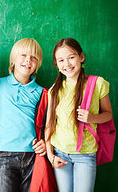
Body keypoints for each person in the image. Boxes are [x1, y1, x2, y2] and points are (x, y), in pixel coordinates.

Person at [45, 38, 113, 192]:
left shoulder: (97, 83)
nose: (67, 64)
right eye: (61, 60)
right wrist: (51, 156)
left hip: (85, 154)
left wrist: (93, 118)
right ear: (56, 64)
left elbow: (108, 114)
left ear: (81, 57)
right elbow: (49, 124)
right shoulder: (55, 90)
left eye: (71, 57)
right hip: (60, 153)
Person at [0, 38, 47, 192]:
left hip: (33, 156)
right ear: (13, 60)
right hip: (4, 155)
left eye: (34, 57)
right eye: (23, 55)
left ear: (38, 64)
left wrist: (45, 142)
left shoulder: (42, 92)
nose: (28, 60)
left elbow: (48, 124)